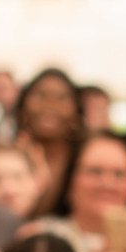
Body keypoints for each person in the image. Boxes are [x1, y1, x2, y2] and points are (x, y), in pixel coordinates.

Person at [15, 68, 82, 216]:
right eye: (41, 95)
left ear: (76, 111)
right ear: (23, 105)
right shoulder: (4, 155)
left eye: (62, 98)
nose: (50, 105)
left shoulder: (85, 157)